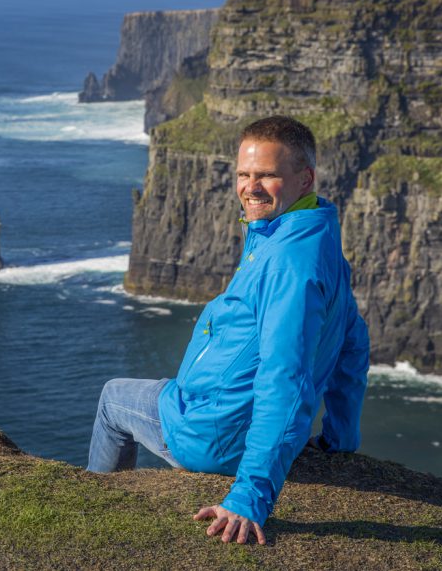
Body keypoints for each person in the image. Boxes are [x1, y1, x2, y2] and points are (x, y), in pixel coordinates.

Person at [87, 115, 370, 545]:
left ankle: (90, 508)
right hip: (230, 419)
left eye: (267, 176)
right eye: (243, 174)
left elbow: (285, 381)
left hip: (215, 435)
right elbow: (353, 341)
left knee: (113, 399)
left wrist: (249, 496)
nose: (250, 188)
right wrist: (340, 437)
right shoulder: (313, 234)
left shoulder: (288, 264)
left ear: (305, 178)